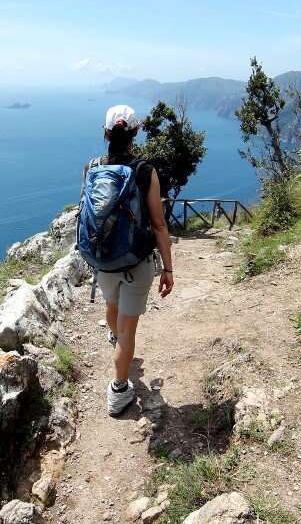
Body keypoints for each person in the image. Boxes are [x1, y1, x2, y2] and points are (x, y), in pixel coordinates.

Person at [85, 104, 174, 417]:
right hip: (136, 261)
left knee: (112, 310)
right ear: (137, 131)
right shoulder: (145, 171)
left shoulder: (92, 167)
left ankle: (115, 337)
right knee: (128, 330)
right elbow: (159, 223)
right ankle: (119, 390)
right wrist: (168, 268)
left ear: (106, 132)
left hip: (103, 259)